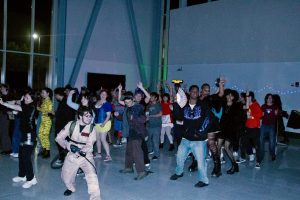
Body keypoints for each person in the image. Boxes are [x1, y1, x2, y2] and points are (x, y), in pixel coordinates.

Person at [170, 85, 211, 188]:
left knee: (201, 162)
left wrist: (201, 132)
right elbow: (178, 117)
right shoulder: (185, 106)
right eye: (193, 91)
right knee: (179, 157)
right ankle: (179, 173)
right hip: (186, 138)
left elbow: (208, 118)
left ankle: (203, 180)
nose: (195, 93)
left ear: (198, 93)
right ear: (189, 92)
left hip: (199, 140)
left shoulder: (203, 105)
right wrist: (175, 104)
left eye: (196, 92)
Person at [55, 107, 101, 200]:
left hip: (86, 155)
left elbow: (90, 144)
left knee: (92, 175)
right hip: (71, 154)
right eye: (86, 116)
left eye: (90, 116)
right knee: (66, 177)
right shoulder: (71, 125)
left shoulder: (92, 128)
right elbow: (59, 138)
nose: (89, 118)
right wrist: (68, 146)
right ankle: (71, 188)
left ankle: (95, 197)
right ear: (80, 116)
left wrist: (82, 151)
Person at [1, 88, 37, 188]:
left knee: (26, 157)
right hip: (23, 134)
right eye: (24, 97)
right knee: (21, 156)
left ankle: (32, 178)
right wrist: (12, 108)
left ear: (32, 99)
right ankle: (22, 175)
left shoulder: (31, 107)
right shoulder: (25, 106)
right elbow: (17, 110)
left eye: (27, 98)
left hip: (30, 135)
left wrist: (4, 103)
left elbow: (18, 108)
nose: (25, 99)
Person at [119, 92, 149, 180]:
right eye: (126, 103)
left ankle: (142, 171)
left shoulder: (138, 107)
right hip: (130, 132)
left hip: (138, 132)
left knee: (137, 151)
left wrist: (134, 118)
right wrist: (118, 116)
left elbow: (144, 119)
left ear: (133, 100)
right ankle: (129, 168)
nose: (127, 104)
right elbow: (126, 118)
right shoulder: (127, 108)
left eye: (129, 102)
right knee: (129, 151)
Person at [94, 90, 113, 161]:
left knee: (103, 139)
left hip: (104, 123)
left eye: (105, 94)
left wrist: (104, 123)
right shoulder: (97, 102)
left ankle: (108, 156)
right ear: (100, 94)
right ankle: (99, 153)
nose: (103, 95)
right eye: (102, 94)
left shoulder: (107, 104)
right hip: (96, 123)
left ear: (107, 96)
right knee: (97, 139)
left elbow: (108, 116)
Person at [260, 94, 278, 161]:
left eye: (271, 98)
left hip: (271, 126)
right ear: (266, 99)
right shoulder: (263, 106)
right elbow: (261, 115)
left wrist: (276, 112)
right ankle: (261, 154)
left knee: (272, 141)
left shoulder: (275, 106)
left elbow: (276, 114)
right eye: (268, 98)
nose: (270, 99)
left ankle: (273, 155)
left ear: (272, 99)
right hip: (264, 125)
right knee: (261, 140)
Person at [37, 87, 53, 158]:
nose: (42, 94)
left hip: (47, 121)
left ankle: (47, 151)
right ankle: (44, 149)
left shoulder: (49, 102)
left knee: (45, 136)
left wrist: (39, 109)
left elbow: (49, 112)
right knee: (40, 134)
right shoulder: (44, 101)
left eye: (43, 93)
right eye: (41, 93)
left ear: (48, 93)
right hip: (43, 120)